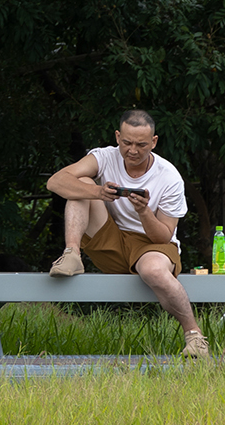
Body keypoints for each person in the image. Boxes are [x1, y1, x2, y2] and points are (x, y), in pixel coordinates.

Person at [44, 110, 208, 358]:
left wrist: (143, 212)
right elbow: (55, 182)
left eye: (141, 145)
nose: (133, 150)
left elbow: (163, 237)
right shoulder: (104, 157)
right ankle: (71, 254)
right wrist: (99, 192)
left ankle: (194, 336)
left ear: (153, 142)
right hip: (111, 240)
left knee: (153, 270)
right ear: (117, 137)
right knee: (82, 186)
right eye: (127, 143)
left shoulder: (169, 176)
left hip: (151, 246)